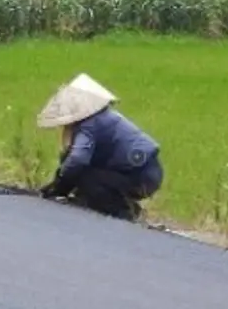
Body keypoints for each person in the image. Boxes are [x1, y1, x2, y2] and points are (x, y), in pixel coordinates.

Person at [36, 73, 164, 221]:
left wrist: (59, 187)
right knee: (79, 172)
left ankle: (125, 214)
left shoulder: (89, 126)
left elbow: (77, 160)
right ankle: (106, 204)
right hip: (145, 172)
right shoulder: (102, 118)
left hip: (141, 175)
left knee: (86, 177)